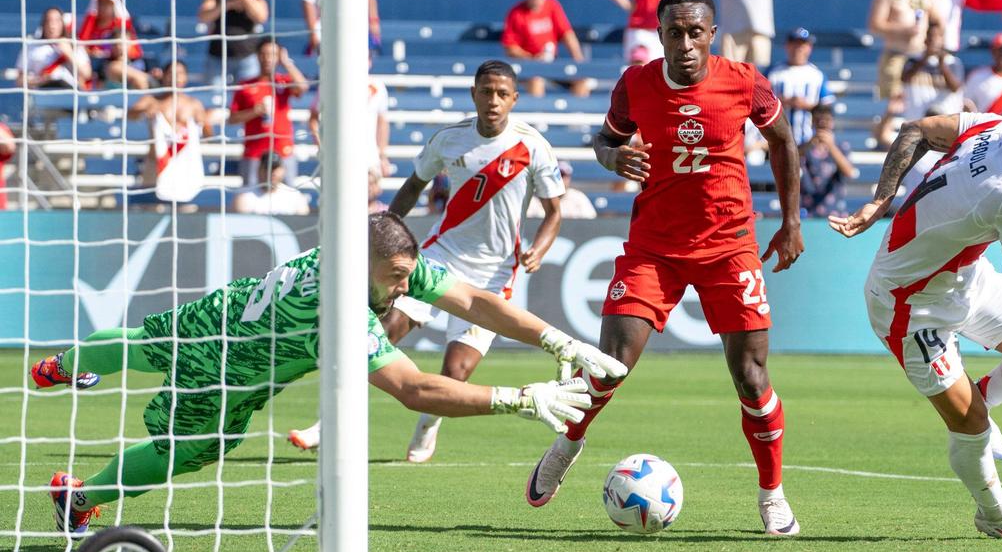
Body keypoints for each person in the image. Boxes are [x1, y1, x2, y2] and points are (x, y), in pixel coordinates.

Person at [37, 212, 626, 535]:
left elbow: (472, 300)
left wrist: (558, 339)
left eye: (407, 274)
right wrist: (521, 399)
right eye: (396, 276)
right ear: (365, 263)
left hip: (226, 309)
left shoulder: (367, 255)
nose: (403, 288)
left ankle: (59, 366)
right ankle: (80, 497)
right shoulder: (340, 309)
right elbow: (412, 388)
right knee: (190, 448)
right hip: (230, 369)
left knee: (141, 342)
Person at [525, 0, 806, 536]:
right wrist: (613, 155)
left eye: (695, 32)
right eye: (674, 33)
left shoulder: (744, 81)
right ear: (659, 35)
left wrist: (791, 221)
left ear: (711, 34)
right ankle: (566, 446)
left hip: (729, 247)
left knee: (751, 378)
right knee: (610, 365)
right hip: (654, 248)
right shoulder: (635, 84)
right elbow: (605, 140)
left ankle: (772, 493)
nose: (685, 43)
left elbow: (783, 141)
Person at [828, 80, 1002, 541]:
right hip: (909, 304)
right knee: (967, 425)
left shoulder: (989, 125)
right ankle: (994, 513)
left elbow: (915, 131)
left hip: (966, 278)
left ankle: (983, 401)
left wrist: (882, 198)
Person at [288, 61, 566, 461]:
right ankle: (328, 424)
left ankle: (428, 423)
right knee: (380, 337)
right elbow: (413, 185)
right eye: (486, 92)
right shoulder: (449, 140)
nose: (493, 101)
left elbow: (553, 213)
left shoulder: (533, 145)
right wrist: (385, 234)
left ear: (514, 99)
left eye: (502, 94)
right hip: (440, 257)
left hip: (494, 274)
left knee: (456, 372)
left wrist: (538, 249)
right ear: (473, 94)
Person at [868, 0, 939, 123]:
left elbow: (937, 21)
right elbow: (875, 25)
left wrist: (934, 41)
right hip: (896, 55)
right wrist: (903, 30)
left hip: (919, 58)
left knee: (918, 106)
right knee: (893, 108)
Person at [128, 60, 213, 200]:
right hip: (156, 164)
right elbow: (130, 115)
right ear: (164, 76)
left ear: (186, 77)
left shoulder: (194, 105)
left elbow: (209, 135)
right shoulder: (152, 100)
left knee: (185, 215)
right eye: (171, 73)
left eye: (179, 73)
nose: (175, 77)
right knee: (150, 212)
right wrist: (143, 110)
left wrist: (205, 123)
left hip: (185, 168)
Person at [229, 40, 309, 188]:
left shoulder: (283, 82)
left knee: (288, 195)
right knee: (250, 196)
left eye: (272, 54)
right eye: (264, 54)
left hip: (283, 150)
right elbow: (232, 118)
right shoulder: (246, 85)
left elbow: (303, 87)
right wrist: (254, 111)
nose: (267, 59)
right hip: (254, 153)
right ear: (258, 56)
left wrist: (286, 63)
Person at [501, 0, 589, 98]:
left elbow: (567, 34)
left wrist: (578, 60)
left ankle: (579, 115)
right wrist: (531, 58)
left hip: (551, 63)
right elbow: (510, 48)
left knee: (580, 80)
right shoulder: (516, 13)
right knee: (536, 80)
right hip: (527, 66)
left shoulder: (552, 6)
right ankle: (538, 117)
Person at [766, 27, 835, 146]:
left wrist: (806, 105)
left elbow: (827, 108)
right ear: (787, 46)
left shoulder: (817, 75)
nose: (798, 49)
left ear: (809, 48)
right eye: (794, 44)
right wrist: (781, 102)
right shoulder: (773, 73)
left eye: (802, 45)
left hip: (807, 140)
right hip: (775, 141)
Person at [76, 0, 146, 87]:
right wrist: (92, 52)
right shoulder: (90, 26)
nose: (104, 8)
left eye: (107, 4)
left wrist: (111, 53)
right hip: (95, 67)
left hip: (119, 66)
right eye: (101, 4)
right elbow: (82, 46)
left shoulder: (121, 26)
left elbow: (133, 52)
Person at [799, 105, 857, 218]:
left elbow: (850, 172)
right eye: (818, 120)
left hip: (835, 213)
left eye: (826, 120)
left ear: (832, 122)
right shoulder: (804, 148)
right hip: (807, 213)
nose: (822, 123)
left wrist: (831, 146)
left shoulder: (842, 147)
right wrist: (810, 144)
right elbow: (791, 161)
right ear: (812, 122)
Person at [15, 7, 92, 90]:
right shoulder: (31, 46)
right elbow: (19, 81)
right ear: (43, 24)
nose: (52, 25)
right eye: (48, 21)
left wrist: (68, 53)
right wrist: (38, 81)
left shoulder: (74, 45)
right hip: (42, 93)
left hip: (71, 94)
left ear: (63, 23)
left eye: (57, 21)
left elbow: (87, 74)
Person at [232, 152, 311, 215]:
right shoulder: (245, 197)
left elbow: (303, 222)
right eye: (267, 168)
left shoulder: (295, 197)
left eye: (275, 168)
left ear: (283, 170)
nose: (271, 172)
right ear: (259, 170)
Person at [527, 161, 597, 219]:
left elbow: (590, 224)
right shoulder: (533, 200)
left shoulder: (578, 198)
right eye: (554, 175)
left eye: (562, 175)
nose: (558, 179)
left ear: (569, 178)